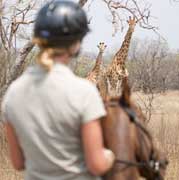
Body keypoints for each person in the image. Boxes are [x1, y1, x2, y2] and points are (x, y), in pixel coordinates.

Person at [1, 1, 115, 180]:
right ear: (75, 44)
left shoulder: (13, 94)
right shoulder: (84, 92)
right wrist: (110, 155)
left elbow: (18, 162)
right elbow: (97, 164)